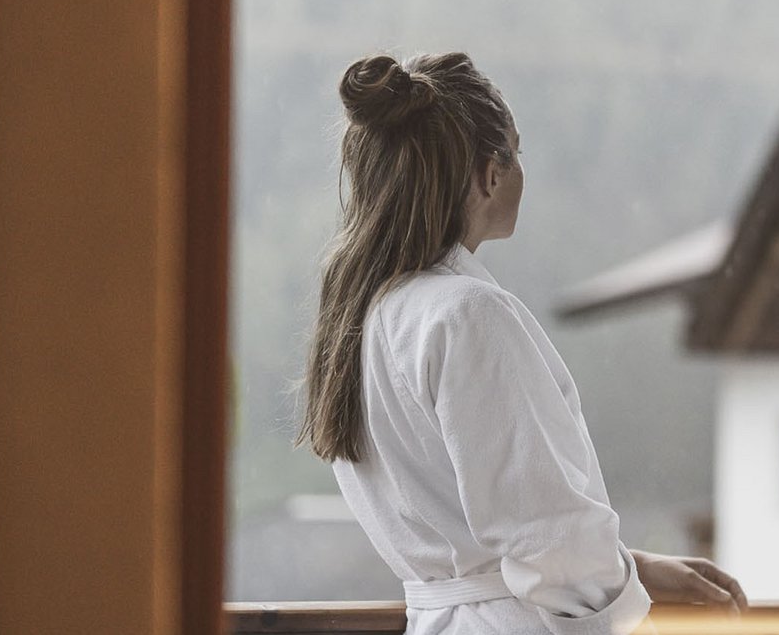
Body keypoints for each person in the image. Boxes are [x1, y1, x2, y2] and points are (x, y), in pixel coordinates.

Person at [298, 53, 747, 635]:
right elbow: (551, 538)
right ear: (492, 172)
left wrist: (631, 567)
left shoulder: (367, 316)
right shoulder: (468, 314)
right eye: (517, 151)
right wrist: (616, 604)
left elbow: (475, 524)